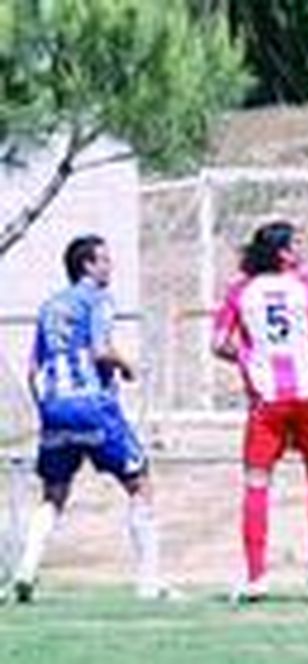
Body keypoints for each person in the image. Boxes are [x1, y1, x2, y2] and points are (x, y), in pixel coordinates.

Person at [13, 235, 172, 603]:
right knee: (140, 483)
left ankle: (27, 568)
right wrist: (129, 367)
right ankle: (150, 583)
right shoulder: (98, 299)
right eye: (104, 260)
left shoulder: (50, 306)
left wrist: (46, 409)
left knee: (53, 493)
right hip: (92, 405)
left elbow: (33, 366)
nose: (109, 266)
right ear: (86, 265)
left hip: (54, 407)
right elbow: (101, 350)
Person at [212, 219, 308, 602]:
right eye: (297, 243)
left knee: (257, 482)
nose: (303, 249)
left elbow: (219, 343)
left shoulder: (240, 290)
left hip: (267, 399)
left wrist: (248, 358)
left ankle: (257, 576)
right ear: (284, 253)